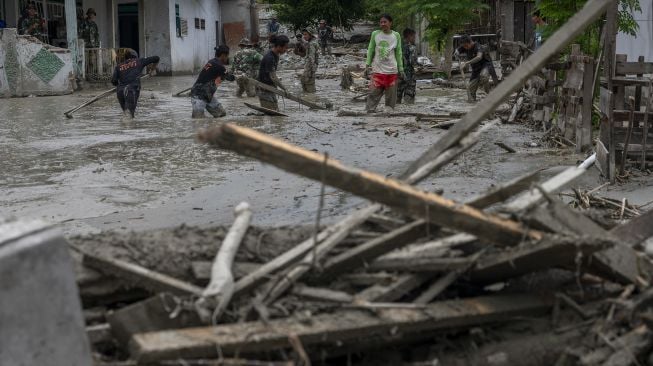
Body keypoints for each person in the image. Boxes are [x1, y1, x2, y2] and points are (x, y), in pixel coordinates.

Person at [365, 14, 404, 113]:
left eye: (385, 22)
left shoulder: (396, 35)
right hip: (377, 70)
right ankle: (368, 115)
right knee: (373, 95)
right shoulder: (375, 34)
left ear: (390, 23)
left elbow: (398, 53)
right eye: (381, 22)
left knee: (390, 99)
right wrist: (367, 64)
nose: (382, 24)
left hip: (392, 71)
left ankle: (388, 118)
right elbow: (370, 49)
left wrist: (401, 69)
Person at [111, 49, 159, 119]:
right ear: (135, 56)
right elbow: (156, 58)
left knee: (126, 113)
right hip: (132, 89)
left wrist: (120, 85)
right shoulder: (139, 61)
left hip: (120, 91)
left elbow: (114, 81)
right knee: (129, 116)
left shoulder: (118, 66)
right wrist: (152, 69)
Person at [190, 45, 235, 118]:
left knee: (221, 114)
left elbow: (222, 75)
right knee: (197, 120)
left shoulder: (212, 61)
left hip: (208, 95)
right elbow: (231, 78)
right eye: (227, 56)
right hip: (198, 95)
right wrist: (238, 75)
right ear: (223, 55)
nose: (227, 58)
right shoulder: (219, 66)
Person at [455, 35, 498, 103]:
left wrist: (466, 63)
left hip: (485, 66)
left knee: (484, 76)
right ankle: (473, 100)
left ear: (470, 42)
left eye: (466, 46)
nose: (465, 48)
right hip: (476, 69)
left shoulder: (478, 46)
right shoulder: (465, 47)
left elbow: (479, 57)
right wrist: (456, 52)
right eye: (464, 46)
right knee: (470, 88)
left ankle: (488, 94)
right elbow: (458, 50)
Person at [257, 35, 290, 111]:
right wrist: (284, 89)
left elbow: (272, 75)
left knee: (275, 111)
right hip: (264, 89)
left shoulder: (276, 55)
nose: (286, 50)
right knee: (271, 114)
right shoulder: (270, 57)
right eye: (285, 47)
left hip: (271, 87)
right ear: (279, 46)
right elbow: (273, 77)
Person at [397, 28, 417, 104]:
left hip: (398, 75)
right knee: (409, 101)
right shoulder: (412, 48)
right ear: (409, 36)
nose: (414, 39)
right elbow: (413, 62)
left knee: (396, 99)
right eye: (414, 37)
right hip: (409, 76)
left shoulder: (397, 46)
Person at [300, 29, 319, 93]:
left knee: (308, 82)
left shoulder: (311, 44)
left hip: (310, 66)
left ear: (310, 35)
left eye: (306, 34)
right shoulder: (312, 42)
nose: (304, 36)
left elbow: (311, 58)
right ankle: (309, 96)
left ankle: (311, 98)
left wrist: (310, 70)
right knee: (305, 80)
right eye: (303, 34)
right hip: (311, 65)